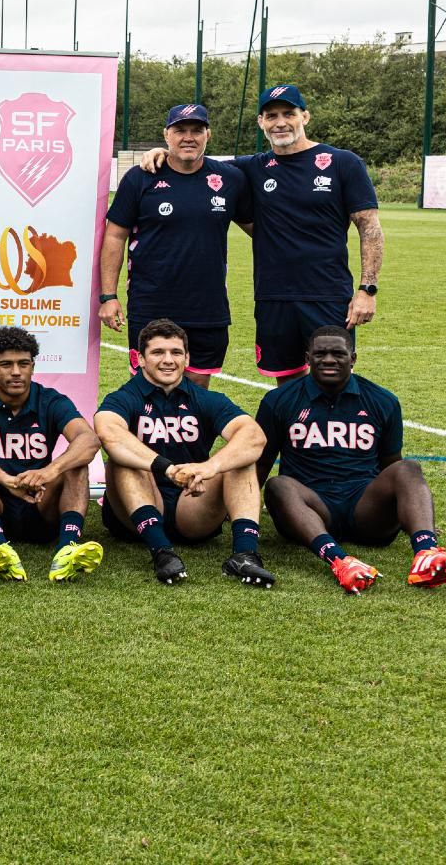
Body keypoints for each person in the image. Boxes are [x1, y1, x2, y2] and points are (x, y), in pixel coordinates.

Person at [137, 84, 382, 379]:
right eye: (271, 115)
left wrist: (367, 289)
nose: (280, 122)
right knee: (286, 380)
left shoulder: (343, 163)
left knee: (333, 379)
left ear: (305, 116)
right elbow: (196, 163)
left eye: (288, 113)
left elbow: (369, 227)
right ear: (261, 122)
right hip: (271, 296)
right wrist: (163, 152)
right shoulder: (253, 167)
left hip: (327, 294)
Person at [255, 327, 446, 594]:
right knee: (278, 485)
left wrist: (412, 515)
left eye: (338, 353)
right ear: (307, 358)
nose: (329, 359)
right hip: (310, 505)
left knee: (408, 468)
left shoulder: (382, 400)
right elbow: (262, 462)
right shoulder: (279, 400)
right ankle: (340, 561)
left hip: (366, 508)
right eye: (320, 353)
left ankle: (426, 551)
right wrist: (245, 515)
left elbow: (391, 465)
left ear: (353, 358)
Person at [94, 320, 275, 587]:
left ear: (187, 358)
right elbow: (109, 433)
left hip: (192, 504)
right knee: (121, 459)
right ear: (140, 359)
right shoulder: (123, 397)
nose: (168, 360)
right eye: (158, 353)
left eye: (176, 353)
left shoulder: (204, 398)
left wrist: (208, 468)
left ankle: (245, 554)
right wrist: (167, 468)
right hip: (137, 510)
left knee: (241, 460)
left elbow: (254, 437)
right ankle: (161, 552)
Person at [100, 104, 246, 387]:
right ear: (166, 135)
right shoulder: (140, 178)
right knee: (147, 393)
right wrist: (108, 296)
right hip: (151, 304)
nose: (188, 137)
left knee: (196, 395)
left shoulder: (230, 178)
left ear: (208, 135)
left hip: (208, 308)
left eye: (197, 130)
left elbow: (261, 227)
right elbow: (115, 237)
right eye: (180, 130)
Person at [0, 326, 103, 583]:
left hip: (39, 503)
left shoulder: (51, 400)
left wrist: (49, 471)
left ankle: (67, 548)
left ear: (33, 366)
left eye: (24, 363)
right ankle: (0, 548)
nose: (16, 372)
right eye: (6, 364)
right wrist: (5, 479)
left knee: (76, 463)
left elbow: (88, 440)